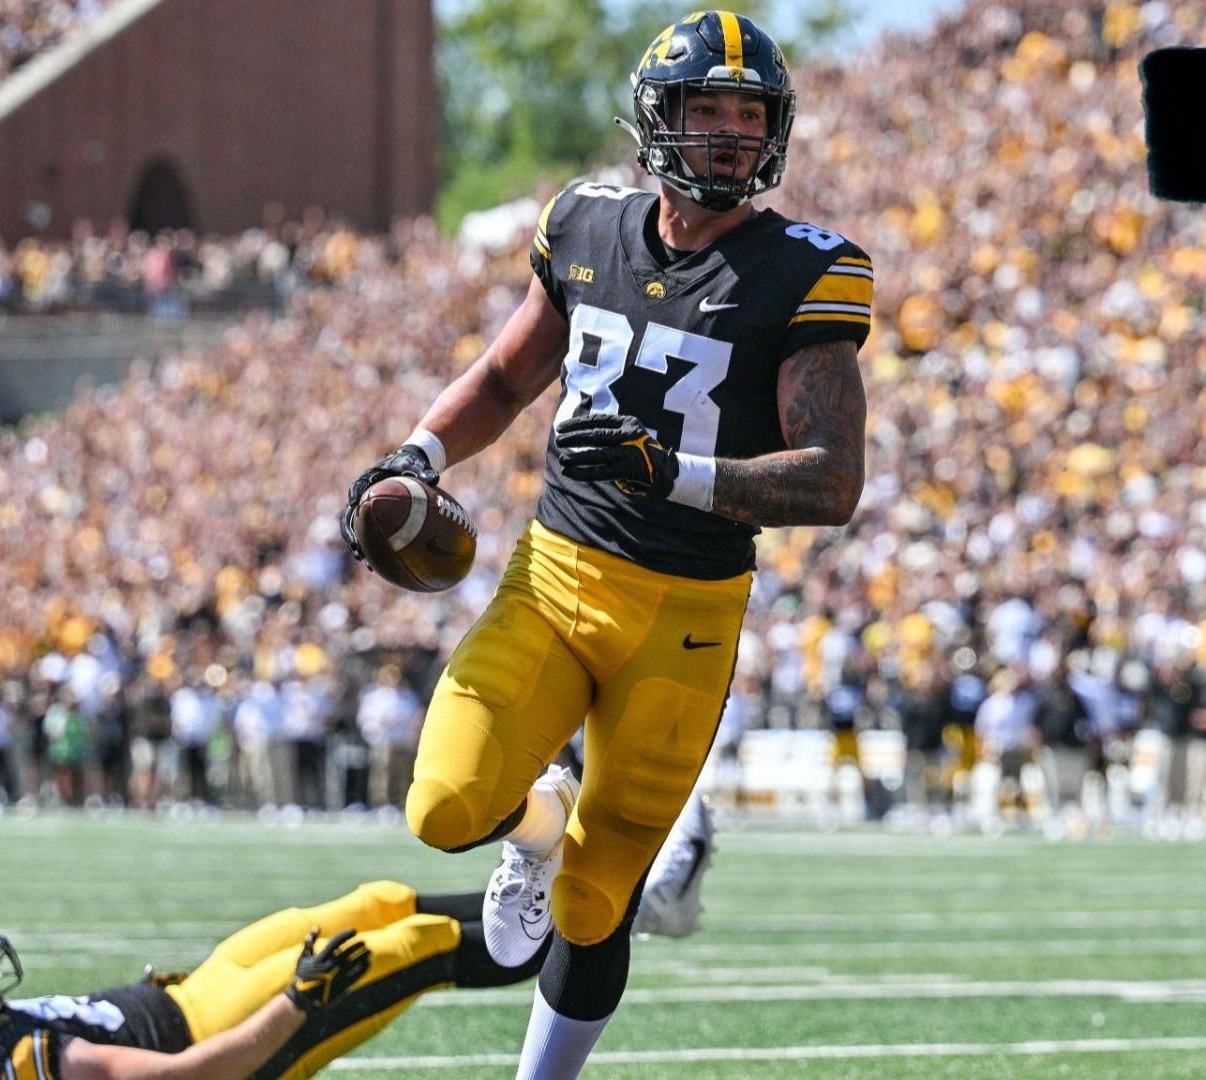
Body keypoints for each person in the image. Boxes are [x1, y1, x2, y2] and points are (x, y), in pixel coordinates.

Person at [339, 11, 869, 1077]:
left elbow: (832, 478)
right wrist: (416, 460)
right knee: (446, 807)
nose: (726, 133)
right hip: (554, 579)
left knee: (598, 897)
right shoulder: (583, 225)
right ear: (656, 118)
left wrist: (670, 471)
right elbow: (499, 381)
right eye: (706, 109)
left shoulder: (808, 270)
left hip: (685, 615)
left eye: (746, 113)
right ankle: (539, 823)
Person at [0, 883, 544, 1079]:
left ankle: (549, 886)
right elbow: (196, 1075)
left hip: (190, 993)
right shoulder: (29, 1067)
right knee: (415, 945)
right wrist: (297, 1001)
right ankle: (596, 925)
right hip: (230, 1040)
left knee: (374, 901)